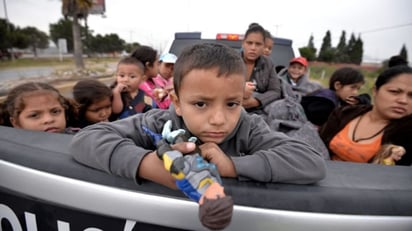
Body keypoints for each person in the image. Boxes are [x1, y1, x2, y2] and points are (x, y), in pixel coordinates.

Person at [69, 43, 326, 194]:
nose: (218, 119)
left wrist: (232, 166)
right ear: (178, 103)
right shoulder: (159, 123)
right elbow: (87, 138)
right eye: (201, 103)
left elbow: (311, 162)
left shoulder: (248, 126)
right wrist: (148, 165)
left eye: (232, 103)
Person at [319, 65, 412, 166]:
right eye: (394, 92)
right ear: (375, 91)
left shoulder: (407, 132)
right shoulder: (344, 113)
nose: (403, 101)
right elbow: (317, 144)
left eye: (411, 96)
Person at [301, 67, 370, 127]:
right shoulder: (325, 104)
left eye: (358, 89)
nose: (355, 93)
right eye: (352, 87)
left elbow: (367, 103)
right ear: (337, 85)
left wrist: (360, 100)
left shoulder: (337, 97)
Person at [0, 82, 78, 134]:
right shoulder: (9, 152)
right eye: (34, 115)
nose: (49, 120)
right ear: (16, 122)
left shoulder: (80, 139)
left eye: (55, 112)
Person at [241, 23, 282, 114]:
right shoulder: (231, 61)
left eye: (258, 44)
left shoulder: (268, 64)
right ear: (243, 43)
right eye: (249, 43)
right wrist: (240, 90)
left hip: (259, 112)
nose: (253, 48)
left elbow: (275, 91)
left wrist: (256, 101)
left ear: (263, 46)